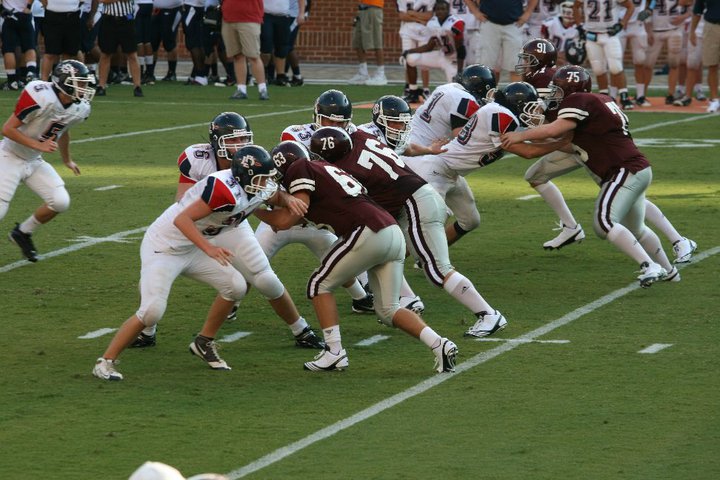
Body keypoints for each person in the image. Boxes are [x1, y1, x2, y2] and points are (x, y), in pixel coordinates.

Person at [92, 145, 310, 381]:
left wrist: (288, 199)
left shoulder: (254, 185)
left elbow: (273, 194)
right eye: (262, 178)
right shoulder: (224, 189)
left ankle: (203, 342)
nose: (267, 183)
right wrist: (209, 248)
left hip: (193, 246)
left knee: (236, 286)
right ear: (245, 176)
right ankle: (105, 362)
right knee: (152, 311)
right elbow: (182, 219)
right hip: (165, 247)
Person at [256, 139, 458, 373]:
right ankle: (439, 344)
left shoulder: (300, 168)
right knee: (388, 310)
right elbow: (284, 220)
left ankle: (334, 353)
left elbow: (286, 219)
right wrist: (266, 206)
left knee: (318, 285)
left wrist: (251, 207)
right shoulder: (323, 171)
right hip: (390, 232)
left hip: (366, 231)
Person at [129, 112, 325, 350]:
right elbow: (182, 202)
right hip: (194, 224)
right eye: (232, 140)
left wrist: (284, 198)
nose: (239, 145)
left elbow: (267, 192)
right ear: (216, 141)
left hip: (231, 224)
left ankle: (301, 329)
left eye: (243, 139)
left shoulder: (252, 160)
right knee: (157, 272)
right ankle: (147, 330)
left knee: (264, 278)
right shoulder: (198, 159)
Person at [313, 123, 508, 339]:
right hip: (417, 198)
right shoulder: (362, 137)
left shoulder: (345, 169)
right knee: (383, 252)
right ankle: (406, 299)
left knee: (438, 269)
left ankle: (489, 315)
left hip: (414, 204)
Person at [501, 65, 679, 287]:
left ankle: (649, 265)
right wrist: (533, 139)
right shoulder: (597, 102)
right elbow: (569, 145)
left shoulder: (578, 100)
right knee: (637, 228)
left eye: (557, 89)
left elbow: (554, 130)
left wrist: (520, 136)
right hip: (633, 169)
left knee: (604, 223)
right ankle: (670, 272)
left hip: (623, 170)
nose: (554, 95)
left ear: (570, 88)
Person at [2, 60, 94, 262]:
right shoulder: (40, 94)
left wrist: (67, 160)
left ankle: (22, 233)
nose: (84, 87)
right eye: (80, 83)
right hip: (10, 155)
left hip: (33, 160)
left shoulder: (79, 108)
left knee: (60, 201)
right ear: (65, 82)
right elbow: (7, 129)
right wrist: (38, 145)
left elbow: (63, 130)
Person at [407, 63, 496, 246]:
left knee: (470, 220)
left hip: (430, 156)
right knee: (432, 220)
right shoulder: (464, 98)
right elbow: (461, 136)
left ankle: (426, 254)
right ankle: (412, 256)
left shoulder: (447, 88)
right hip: (425, 162)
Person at [572, 0, 634, 109]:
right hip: (591, 35)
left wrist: (622, 23)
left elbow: (630, 6)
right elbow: (575, 6)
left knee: (615, 67)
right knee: (598, 69)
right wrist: (579, 26)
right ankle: (604, 97)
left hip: (610, 34)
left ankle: (624, 97)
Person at [465, 0, 536, 83]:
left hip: (514, 24)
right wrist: (476, 12)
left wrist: (528, 13)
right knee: (485, 68)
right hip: (489, 24)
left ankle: (517, 91)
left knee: (515, 67)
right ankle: (487, 91)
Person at [400, 0, 466, 87]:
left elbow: (461, 49)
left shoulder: (456, 23)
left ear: (448, 10)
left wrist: (460, 71)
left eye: (443, 9)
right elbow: (429, 46)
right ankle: (413, 90)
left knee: (455, 87)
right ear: (434, 11)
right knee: (411, 58)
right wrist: (409, 51)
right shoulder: (432, 23)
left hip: (454, 60)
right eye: (438, 9)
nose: (440, 11)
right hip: (442, 56)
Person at [91, 0, 144, 97]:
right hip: (108, 19)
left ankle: (137, 86)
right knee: (105, 54)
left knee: (132, 53)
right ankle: (101, 86)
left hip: (126, 18)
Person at [222, 0, 269, 100]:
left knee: (253, 56)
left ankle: (262, 89)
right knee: (237, 55)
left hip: (249, 18)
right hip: (229, 17)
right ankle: (241, 89)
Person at [395, 0, 435, 100]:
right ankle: (410, 88)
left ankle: (426, 89)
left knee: (425, 61)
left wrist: (412, 14)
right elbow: (402, 16)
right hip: (407, 30)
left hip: (424, 31)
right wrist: (420, 19)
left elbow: (429, 16)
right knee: (407, 60)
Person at [40, 0, 82, 82]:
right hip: (53, 15)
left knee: (68, 53)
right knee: (50, 52)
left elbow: (81, 2)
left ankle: (63, 81)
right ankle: (44, 82)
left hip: (72, 16)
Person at [689, 0, 720, 113]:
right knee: (712, 64)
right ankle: (714, 99)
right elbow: (697, 11)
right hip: (711, 26)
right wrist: (692, 31)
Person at [1, 0, 40, 88]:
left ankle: (12, 80)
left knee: (8, 50)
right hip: (24, 14)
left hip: (9, 14)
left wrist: (1, 9)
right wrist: (28, 7)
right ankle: (31, 73)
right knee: (29, 47)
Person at [349, 0, 387, 86]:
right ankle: (363, 73)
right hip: (362, 10)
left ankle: (381, 74)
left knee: (377, 42)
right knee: (358, 42)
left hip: (374, 9)